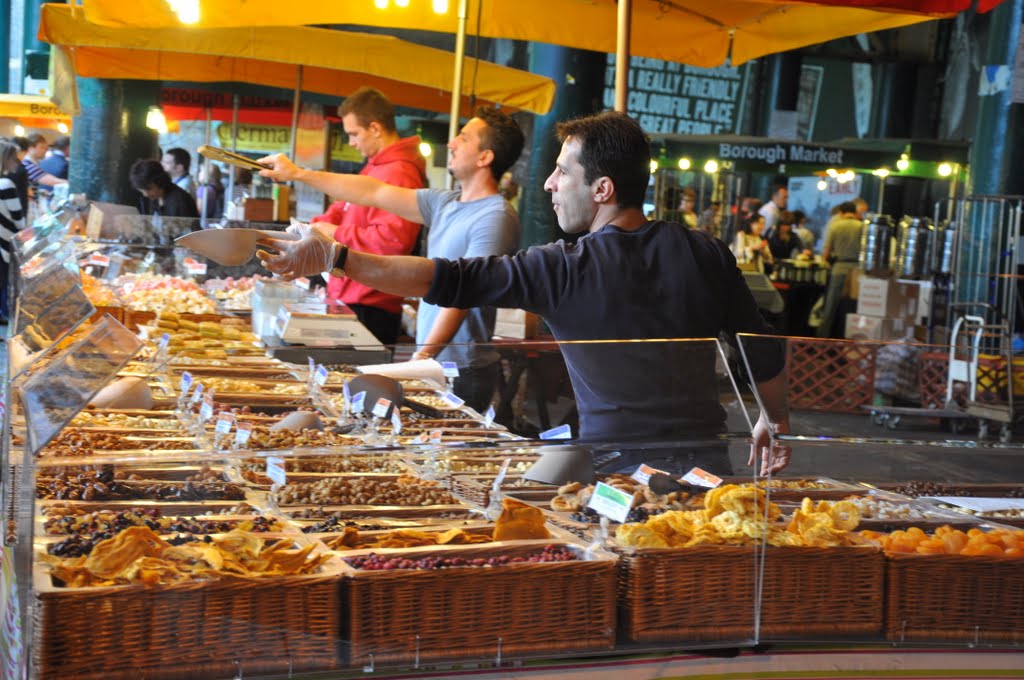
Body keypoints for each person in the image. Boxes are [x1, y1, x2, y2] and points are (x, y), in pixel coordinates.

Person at [256, 111, 791, 476]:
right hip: (707, 467)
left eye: (562, 172)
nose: (550, 184)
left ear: (602, 189)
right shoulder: (705, 251)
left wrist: (338, 257)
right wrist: (775, 419)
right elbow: (761, 350)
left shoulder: (564, 267)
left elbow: (443, 279)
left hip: (620, 473)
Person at [258, 107, 523, 412]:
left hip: (461, 367)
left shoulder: (495, 216)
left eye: (463, 138)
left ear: (484, 157)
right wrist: (298, 173)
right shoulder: (444, 202)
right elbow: (374, 191)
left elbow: (465, 291)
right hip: (433, 360)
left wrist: (423, 356)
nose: (451, 143)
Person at [310, 87, 429, 345]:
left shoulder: (400, 172)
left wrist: (335, 233)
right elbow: (344, 207)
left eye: (354, 134)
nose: (351, 142)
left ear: (375, 128)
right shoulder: (375, 167)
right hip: (351, 296)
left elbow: (392, 241)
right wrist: (320, 225)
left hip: (371, 305)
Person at [817, 200, 863, 338]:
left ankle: (822, 339)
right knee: (853, 306)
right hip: (857, 271)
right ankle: (850, 338)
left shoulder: (835, 226)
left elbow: (826, 253)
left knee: (831, 306)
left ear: (841, 213)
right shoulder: (862, 227)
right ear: (855, 212)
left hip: (839, 268)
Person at [0, 140, 25, 322]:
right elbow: (17, 217)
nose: (17, 162)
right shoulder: (6, 184)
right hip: (5, 241)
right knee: (4, 281)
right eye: (14, 158)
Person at [130, 159, 200, 219]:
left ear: (159, 181)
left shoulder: (179, 200)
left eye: (149, 189)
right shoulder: (154, 199)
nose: (146, 194)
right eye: (142, 191)